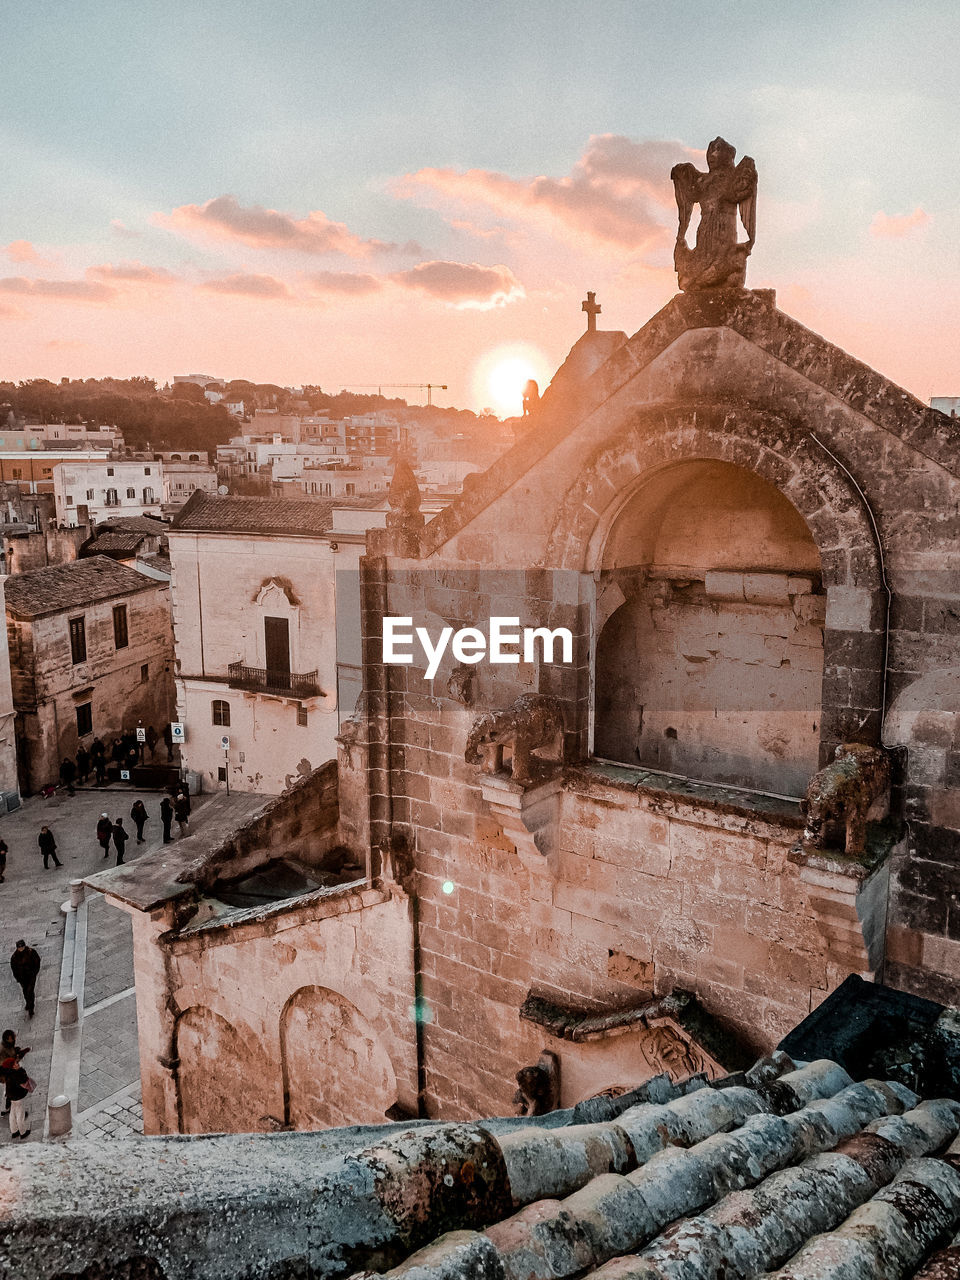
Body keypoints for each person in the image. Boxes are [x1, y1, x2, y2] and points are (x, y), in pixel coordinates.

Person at [10, 940, 41, 1017]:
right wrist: (17, 978)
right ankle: (28, 1002)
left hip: (31, 976)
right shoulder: (14, 957)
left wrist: (35, 972)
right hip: (22, 978)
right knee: (25, 991)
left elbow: (37, 961)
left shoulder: (31, 952)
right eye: (19, 947)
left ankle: (31, 1008)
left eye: (22, 947)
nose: (21, 949)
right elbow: (14, 968)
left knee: (30, 991)